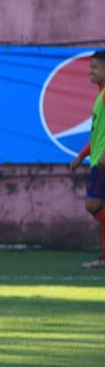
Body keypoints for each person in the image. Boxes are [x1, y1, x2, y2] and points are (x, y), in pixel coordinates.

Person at [69, 50, 105, 268]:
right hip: (97, 160)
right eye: (90, 67)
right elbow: (97, 135)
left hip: (102, 163)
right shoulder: (100, 96)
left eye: (96, 68)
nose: (90, 72)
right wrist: (80, 156)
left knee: (92, 205)